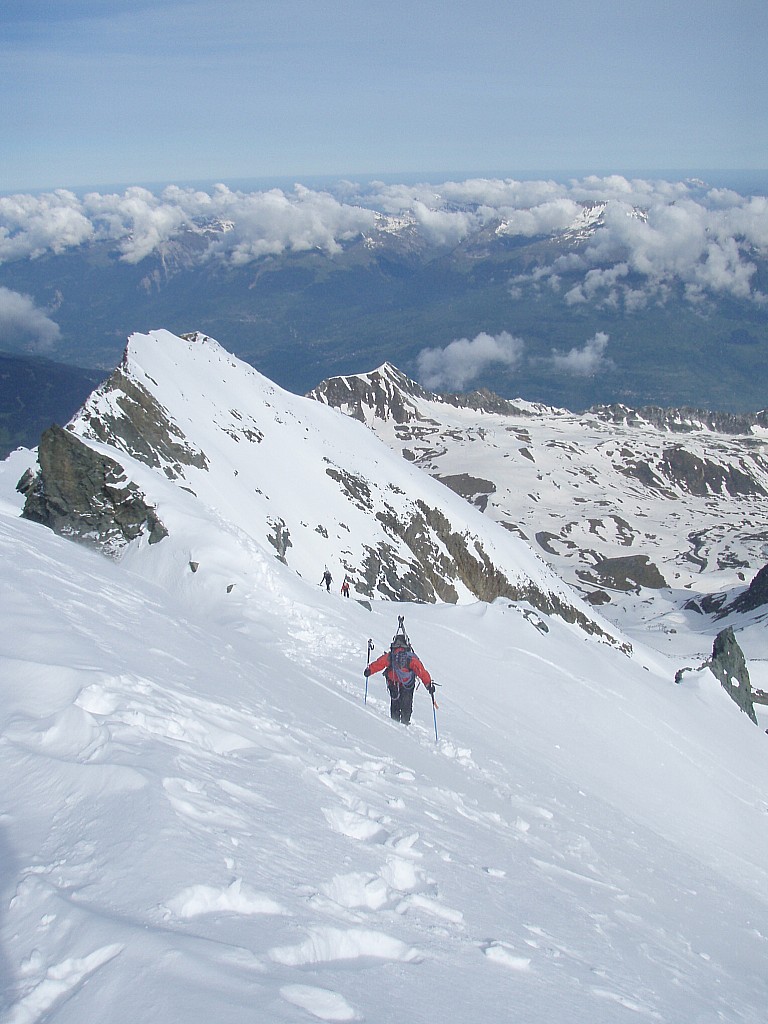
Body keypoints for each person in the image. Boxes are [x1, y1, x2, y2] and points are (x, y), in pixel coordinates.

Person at [364, 622, 435, 725]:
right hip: (407, 685)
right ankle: (405, 725)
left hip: (393, 684)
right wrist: (429, 685)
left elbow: (379, 663)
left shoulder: (391, 656)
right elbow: (421, 671)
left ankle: (395, 727)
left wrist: (369, 670)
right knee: (406, 707)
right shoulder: (410, 658)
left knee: (395, 707)